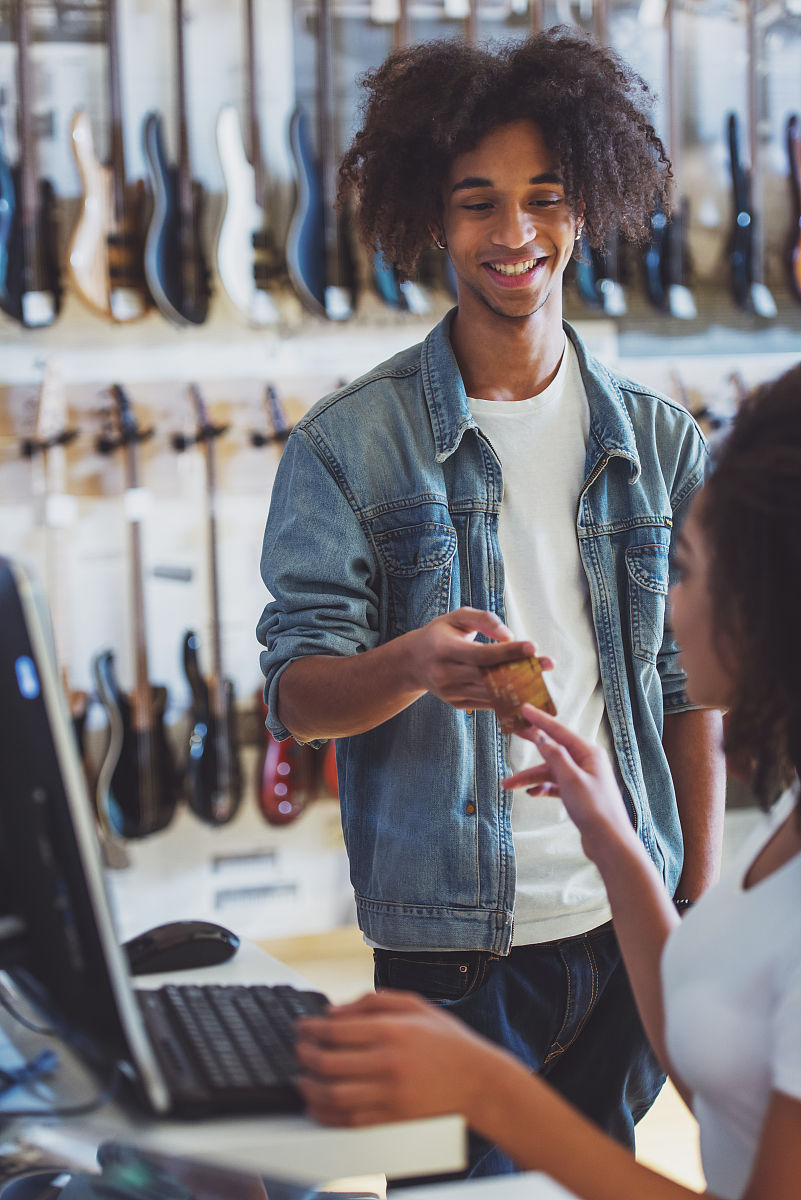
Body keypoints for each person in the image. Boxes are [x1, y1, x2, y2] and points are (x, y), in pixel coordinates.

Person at [257, 28, 725, 1173]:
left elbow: (686, 695)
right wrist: (411, 664)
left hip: (629, 934)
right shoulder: (345, 449)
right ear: (433, 214)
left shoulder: (660, 442)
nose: (513, 234)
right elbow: (298, 698)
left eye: (543, 198)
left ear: (586, 206)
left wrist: (691, 912)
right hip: (451, 957)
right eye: (478, 203)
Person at [292, 364, 801, 1200]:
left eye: (687, 571)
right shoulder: (785, 824)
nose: (666, 608)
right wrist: (614, 841)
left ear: (766, 603)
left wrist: (488, 1089)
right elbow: (711, 1054)